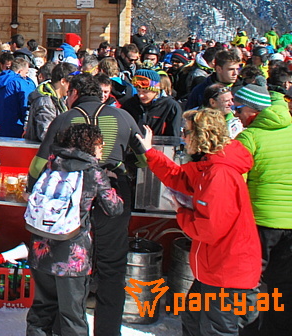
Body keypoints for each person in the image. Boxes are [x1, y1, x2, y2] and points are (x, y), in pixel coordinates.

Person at [30, 73, 144, 336]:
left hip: (70, 201)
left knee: (64, 266)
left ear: (74, 93)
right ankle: (108, 331)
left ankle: (63, 327)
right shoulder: (123, 116)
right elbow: (145, 159)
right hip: (112, 193)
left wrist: (32, 189)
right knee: (112, 267)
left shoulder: (65, 118)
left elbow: (37, 165)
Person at [134, 108, 260, 335]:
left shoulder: (219, 174)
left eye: (186, 131)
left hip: (227, 272)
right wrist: (150, 152)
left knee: (214, 329)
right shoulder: (208, 167)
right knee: (193, 322)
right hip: (214, 268)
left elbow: (209, 229)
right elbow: (179, 177)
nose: (182, 136)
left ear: (201, 136)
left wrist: (181, 212)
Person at [26, 124, 123, 336]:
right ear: (89, 145)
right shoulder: (92, 171)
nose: (102, 146)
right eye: (99, 142)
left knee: (41, 311)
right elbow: (114, 208)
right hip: (72, 256)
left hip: (40, 249)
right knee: (73, 316)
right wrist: (110, 184)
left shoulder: (53, 163)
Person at [234, 83, 292, 336]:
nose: (236, 114)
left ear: (253, 111)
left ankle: (249, 331)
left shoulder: (249, 137)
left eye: (239, 109)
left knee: (248, 282)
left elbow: (236, 183)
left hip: (259, 222)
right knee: (284, 285)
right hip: (289, 223)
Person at [121, 68, 183, 139]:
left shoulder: (170, 106)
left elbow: (174, 137)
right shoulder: (130, 104)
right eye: (138, 91)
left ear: (156, 91)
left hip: (159, 147)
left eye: (145, 92)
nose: (141, 95)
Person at [0, 56, 36, 138]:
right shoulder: (20, 83)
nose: (26, 76)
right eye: (26, 73)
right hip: (14, 127)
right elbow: (26, 105)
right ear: (20, 71)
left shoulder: (0, 78)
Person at [24, 62, 73, 142]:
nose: (73, 88)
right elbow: (46, 133)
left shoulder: (58, 99)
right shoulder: (46, 101)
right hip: (41, 151)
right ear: (63, 81)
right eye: (71, 84)